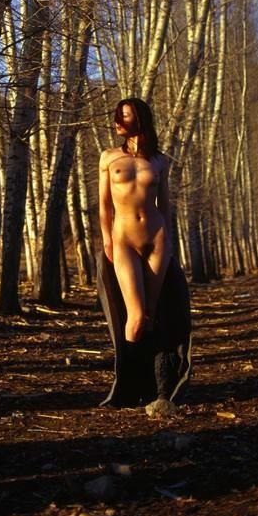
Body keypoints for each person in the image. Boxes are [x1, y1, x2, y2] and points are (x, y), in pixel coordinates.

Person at [99, 97, 172, 344]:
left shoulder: (159, 160)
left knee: (151, 314)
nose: (117, 121)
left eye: (125, 115)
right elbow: (104, 204)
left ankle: (149, 368)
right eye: (117, 115)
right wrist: (107, 239)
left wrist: (169, 241)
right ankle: (127, 369)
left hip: (157, 238)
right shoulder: (108, 157)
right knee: (137, 316)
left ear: (140, 119)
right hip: (124, 240)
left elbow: (165, 205)